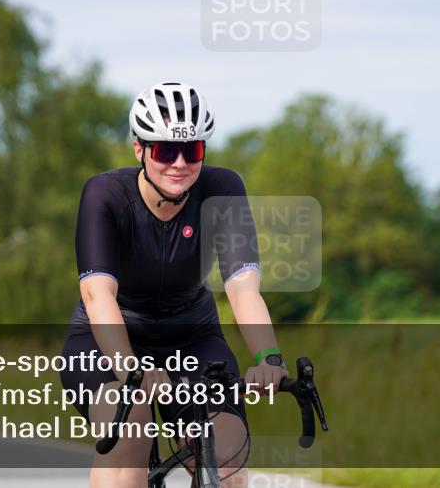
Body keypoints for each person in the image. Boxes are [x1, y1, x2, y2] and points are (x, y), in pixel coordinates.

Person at [59, 81, 287, 488]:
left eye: (193, 150)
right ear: (139, 149)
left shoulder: (222, 188)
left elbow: (242, 287)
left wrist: (268, 356)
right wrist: (131, 369)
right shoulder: (105, 194)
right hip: (108, 340)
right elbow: (97, 295)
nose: (180, 163)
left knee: (226, 453)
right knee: (130, 422)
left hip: (192, 338)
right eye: (165, 150)